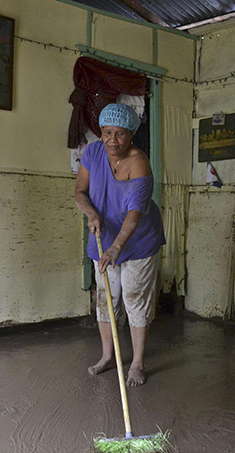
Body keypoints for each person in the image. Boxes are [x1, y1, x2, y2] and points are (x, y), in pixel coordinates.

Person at [74, 103, 166, 387]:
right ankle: (107, 356)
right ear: (100, 133)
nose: (113, 140)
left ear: (132, 135)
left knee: (135, 298)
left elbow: (135, 213)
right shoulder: (92, 153)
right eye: (107, 132)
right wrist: (91, 213)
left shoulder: (139, 161)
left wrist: (117, 248)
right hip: (102, 237)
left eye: (121, 134)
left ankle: (137, 363)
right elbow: (80, 192)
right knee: (106, 298)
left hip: (137, 241)